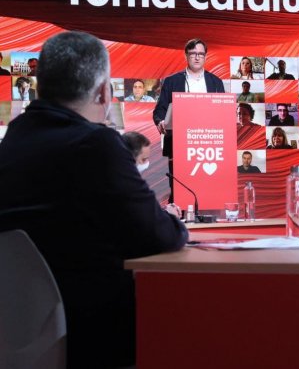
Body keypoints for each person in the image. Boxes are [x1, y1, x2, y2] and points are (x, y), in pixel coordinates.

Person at [0, 31, 188, 368]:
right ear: (104, 92)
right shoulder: (95, 145)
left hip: (20, 334)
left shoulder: (13, 140)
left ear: (40, 87)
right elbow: (161, 236)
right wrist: (176, 221)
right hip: (99, 336)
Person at [153, 38, 224, 202]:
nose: (197, 57)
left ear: (205, 56)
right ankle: (179, 222)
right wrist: (161, 122)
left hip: (209, 145)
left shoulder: (215, 82)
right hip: (179, 144)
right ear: (186, 56)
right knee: (179, 192)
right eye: (193, 54)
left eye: (201, 54)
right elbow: (160, 110)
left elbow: (222, 112)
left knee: (208, 189)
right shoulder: (172, 81)